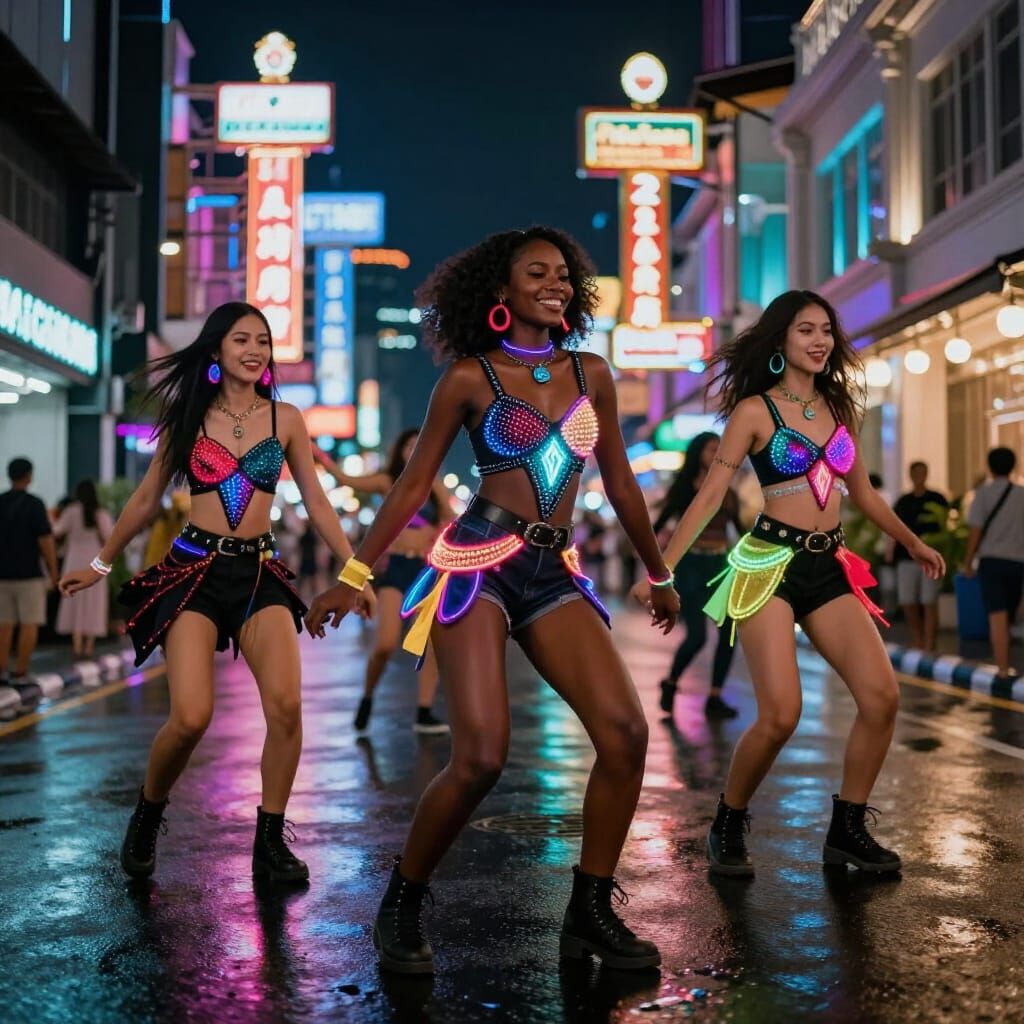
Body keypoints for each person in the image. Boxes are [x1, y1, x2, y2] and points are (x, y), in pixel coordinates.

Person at [305, 227, 679, 974]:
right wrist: (353, 576)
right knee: (478, 756)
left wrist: (659, 570)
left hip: (553, 570)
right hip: (478, 563)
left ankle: (590, 909)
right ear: (500, 294)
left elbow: (622, 483)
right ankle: (405, 898)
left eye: (564, 274)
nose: (556, 283)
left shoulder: (594, 372)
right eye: (536, 273)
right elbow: (414, 487)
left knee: (625, 732)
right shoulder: (470, 378)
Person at [633, 290, 944, 878]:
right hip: (767, 566)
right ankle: (728, 819)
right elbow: (709, 496)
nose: (820, 340)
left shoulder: (839, 407)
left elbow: (867, 494)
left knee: (882, 697)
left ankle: (847, 830)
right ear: (781, 341)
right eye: (806, 330)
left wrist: (913, 541)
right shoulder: (754, 411)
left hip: (830, 566)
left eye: (826, 329)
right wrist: (661, 568)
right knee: (781, 714)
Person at [59, 301, 372, 884]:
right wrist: (101, 564)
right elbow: (148, 497)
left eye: (263, 341)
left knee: (285, 707)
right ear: (217, 350)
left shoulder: (287, 419)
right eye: (241, 340)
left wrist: (355, 572)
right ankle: (149, 813)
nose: (255, 350)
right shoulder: (188, 416)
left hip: (259, 575)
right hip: (193, 572)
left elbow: (318, 501)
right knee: (191, 717)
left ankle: (270, 842)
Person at [314, 429, 453, 735]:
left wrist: (436, 532)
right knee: (386, 643)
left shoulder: (435, 486)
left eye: (420, 444)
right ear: (400, 450)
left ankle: (424, 711)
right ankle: (367, 696)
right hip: (396, 570)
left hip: (425, 570)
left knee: (429, 645)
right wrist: (320, 456)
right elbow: (347, 480)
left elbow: (451, 520)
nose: (414, 449)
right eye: (408, 444)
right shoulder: (388, 482)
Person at [653, 432, 741, 720]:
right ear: (698, 453)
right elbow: (659, 523)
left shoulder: (728, 492)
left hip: (720, 566)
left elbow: (738, 530)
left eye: (719, 449)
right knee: (697, 637)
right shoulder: (684, 489)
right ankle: (671, 682)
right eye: (710, 449)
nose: (715, 453)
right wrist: (654, 565)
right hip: (691, 566)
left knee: (729, 634)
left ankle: (715, 696)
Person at [963, 447, 1024, 683]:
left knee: (997, 613)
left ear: (989, 467)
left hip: (991, 561)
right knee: (1009, 614)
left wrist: (968, 562)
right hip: (1018, 561)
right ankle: (1007, 662)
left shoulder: (983, 494)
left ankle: (1002, 666)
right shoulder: (1021, 494)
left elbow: (976, 532)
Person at [0, 458, 59, 683]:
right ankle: (21, 671)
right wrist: (53, 570)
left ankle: (1, 669)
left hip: (2, 574)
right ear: (29, 476)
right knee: (29, 624)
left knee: (3, 625)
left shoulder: (1, 502)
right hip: (29, 574)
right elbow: (45, 540)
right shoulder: (34, 504)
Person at [890, 461, 948, 652]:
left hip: (929, 556)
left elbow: (944, 525)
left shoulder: (937, 498)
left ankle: (930, 642)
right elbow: (894, 527)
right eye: (916, 472)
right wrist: (890, 551)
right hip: (906, 558)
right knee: (908, 600)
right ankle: (918, 639)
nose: (919, 476)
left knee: (928, 600)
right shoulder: (904, 501)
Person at [54, 480, 115, 658]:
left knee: (75, 600)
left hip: (74, 561)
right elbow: (110, 539)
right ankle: (88, 647)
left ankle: (76, 644)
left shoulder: (71, 512)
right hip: (95, 564)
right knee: (94, 603)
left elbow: (56, 531)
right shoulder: (101, 514)